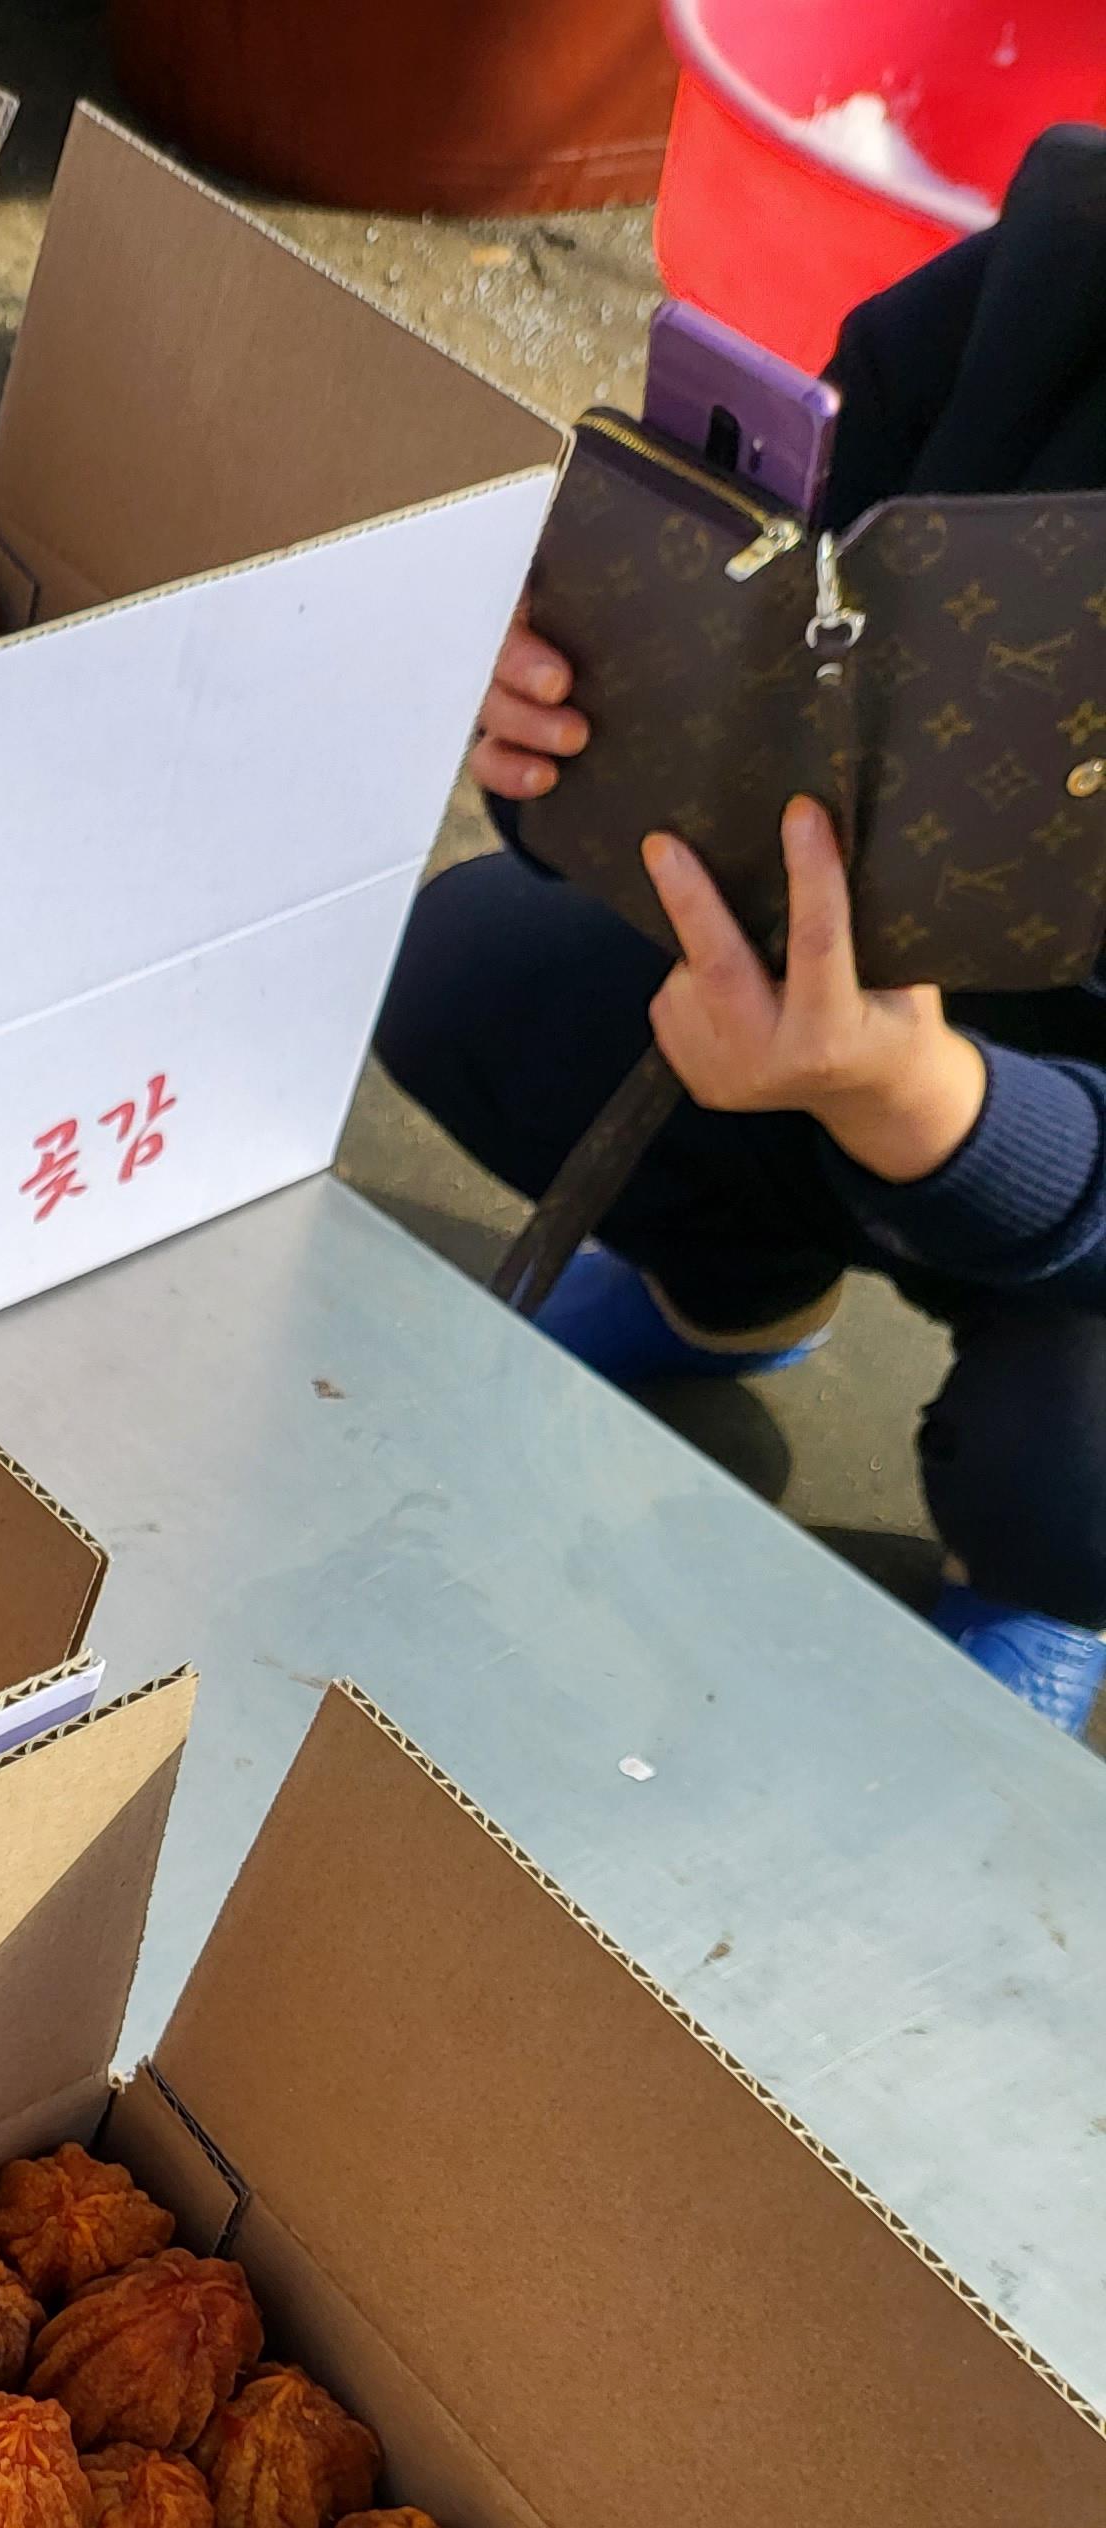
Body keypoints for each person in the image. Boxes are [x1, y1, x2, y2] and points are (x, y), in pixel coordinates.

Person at [376, 124, 1106, 1731]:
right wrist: (574, 711)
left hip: (1046, 1181)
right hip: (842, 971)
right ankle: (741, 1293)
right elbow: (772, 624)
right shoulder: (1059, 260)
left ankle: (1045, 1583)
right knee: (462, 977)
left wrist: (922, 1105)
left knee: (1069, 1480)